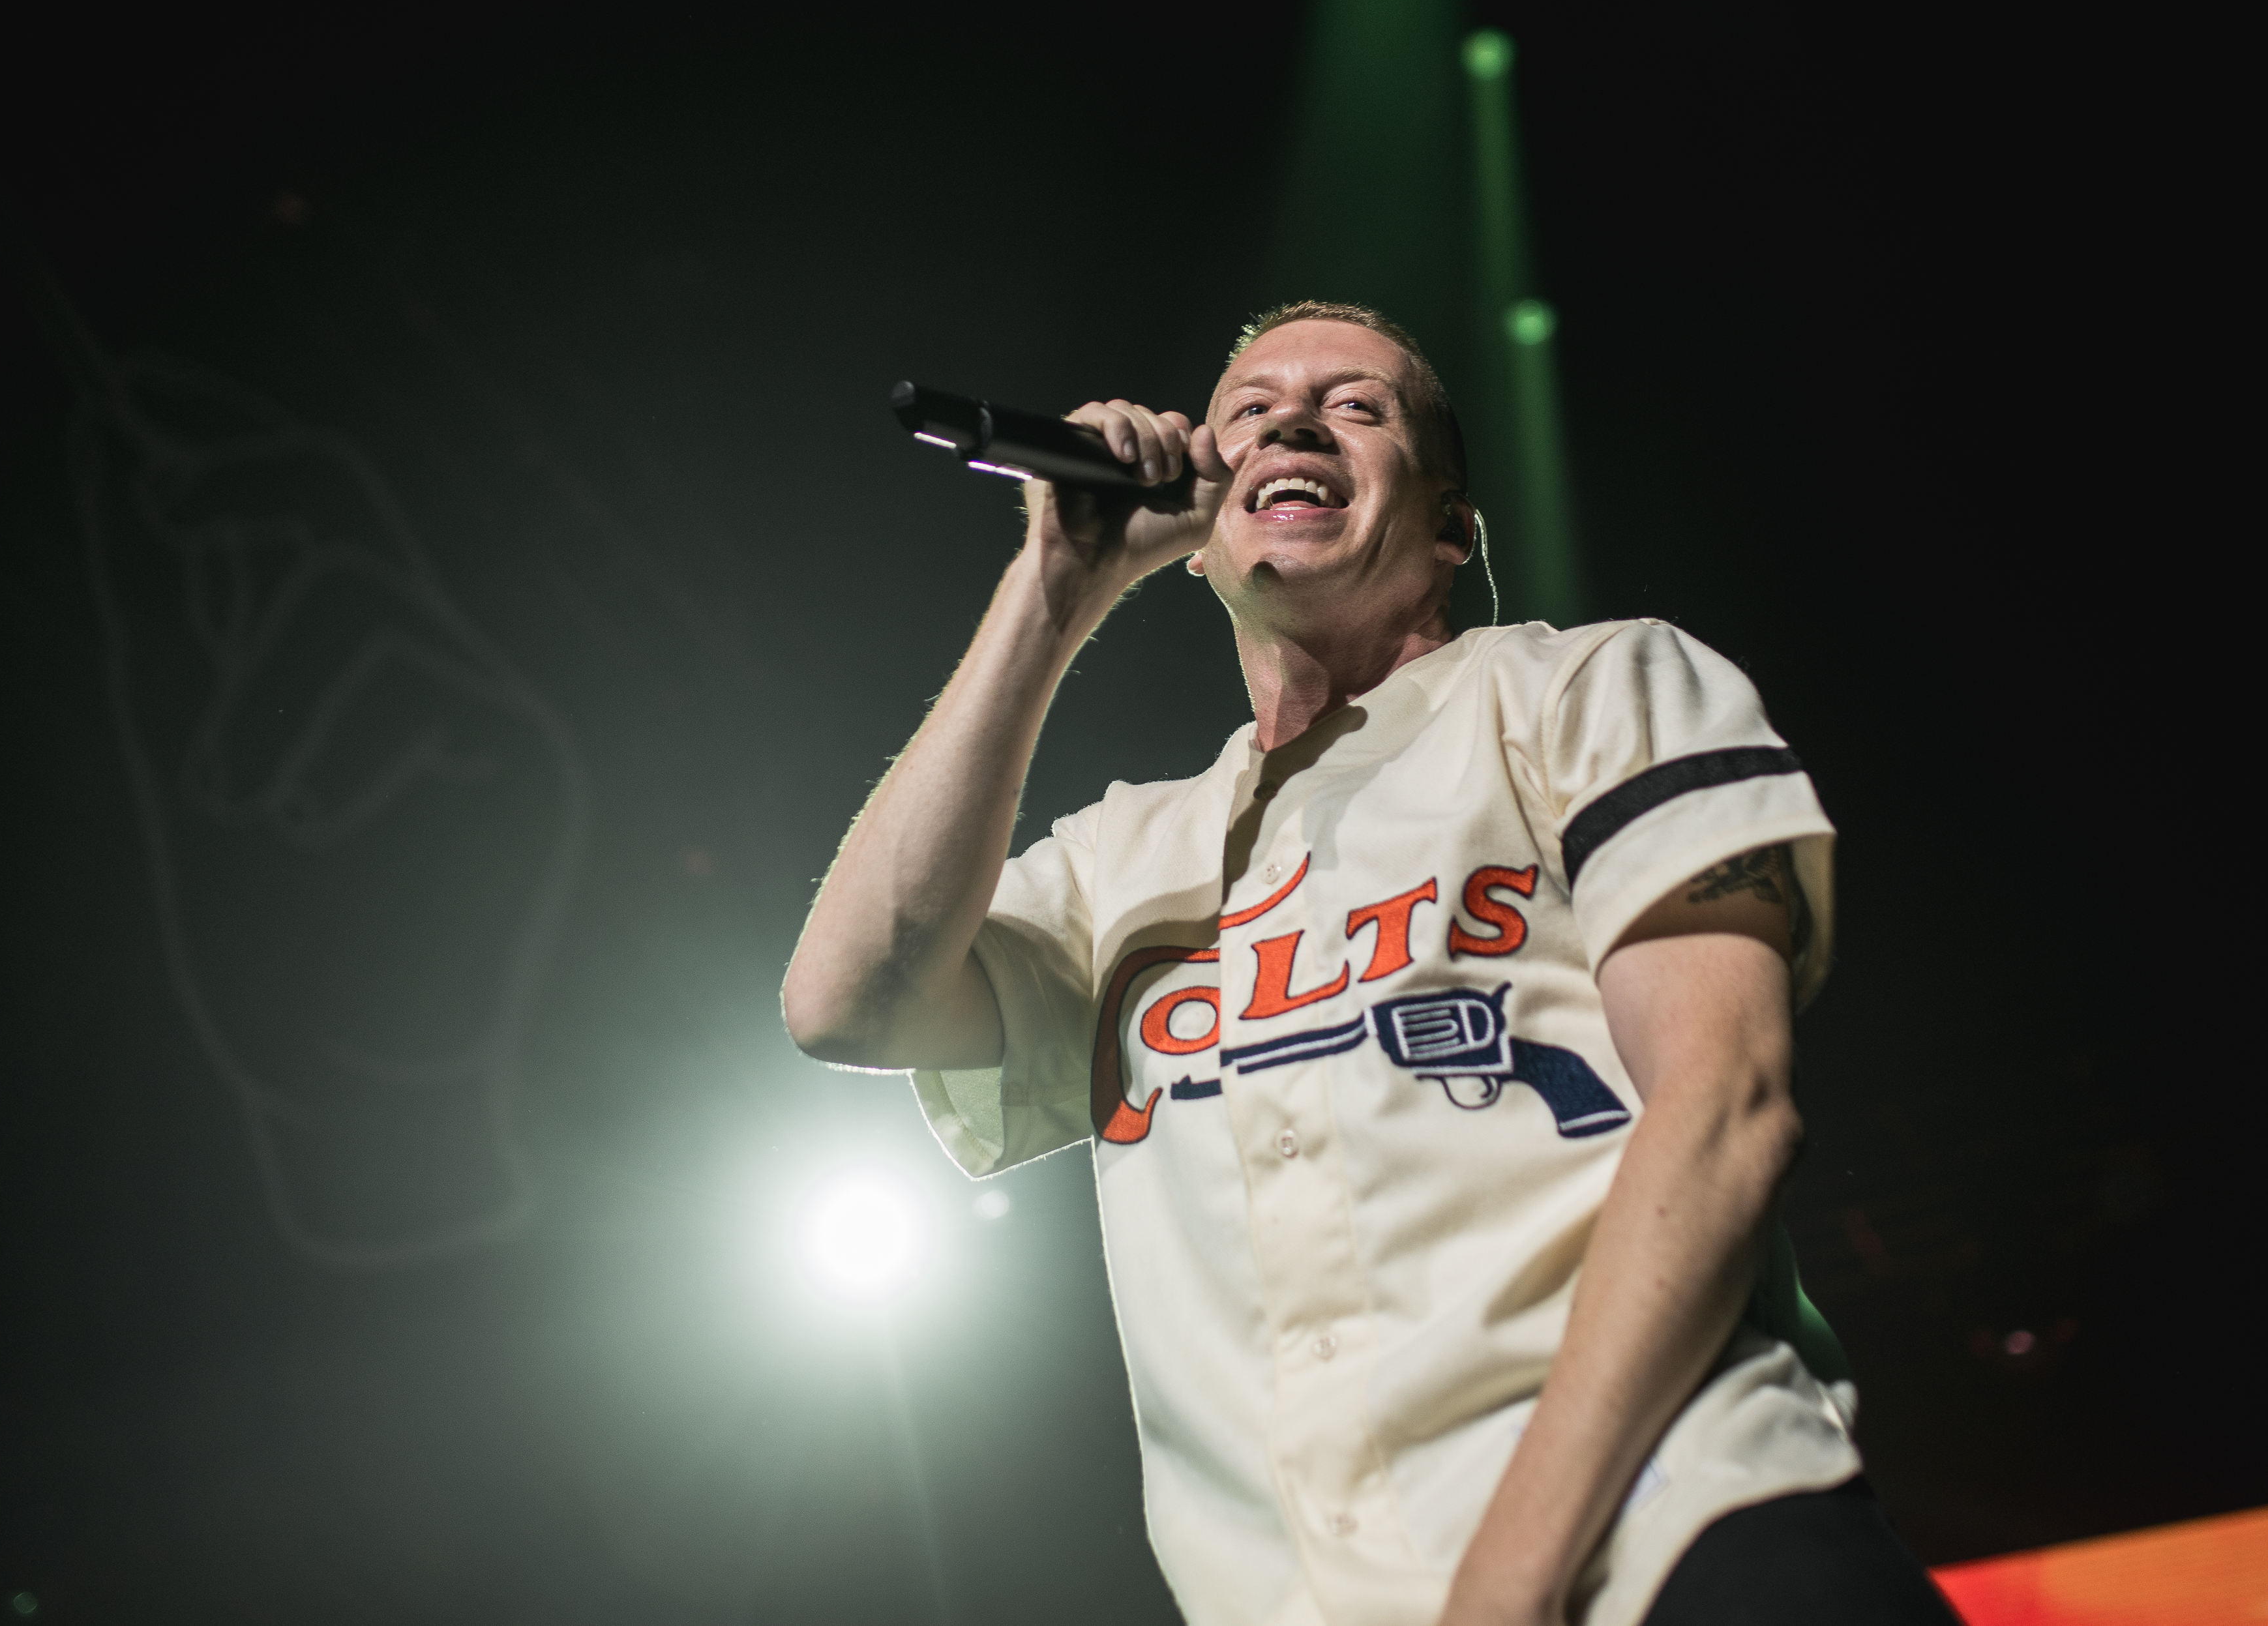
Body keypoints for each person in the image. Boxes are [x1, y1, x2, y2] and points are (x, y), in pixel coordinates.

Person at [782, 303, 1955, 1625]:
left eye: (1357, 405)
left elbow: (1725, 1108)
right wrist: (1056, 586)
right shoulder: (1124, 859)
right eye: (1248, 409)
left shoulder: (1591, 687)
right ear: (1201, 523)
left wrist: (1505, 1586)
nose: (1291, 417)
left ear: (1451, 524)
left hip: (1680, 1540)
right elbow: (845, 1002)